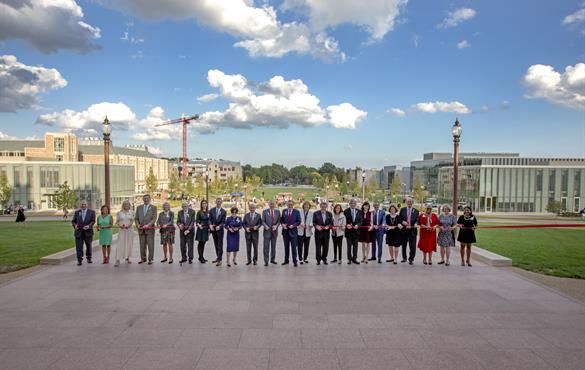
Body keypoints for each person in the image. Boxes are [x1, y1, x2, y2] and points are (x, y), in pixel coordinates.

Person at [135, 194, 157, 265]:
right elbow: (136, 218)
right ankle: (143, 259)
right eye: (144, 198)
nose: (146, 200)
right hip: (141, 229)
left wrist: (148, 225)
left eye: (147, 198)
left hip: (149, 229)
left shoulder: (153, 207)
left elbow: (154, 218)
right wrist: (138, 225)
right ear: (143, 199)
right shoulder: (139, 207)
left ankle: (150, 259)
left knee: (150, 245)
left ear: (150, 199)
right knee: (142, 245)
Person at [71, 200, 95, 266]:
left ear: (87, 205)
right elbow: (73, 221)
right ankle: (79, 260)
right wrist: (75, 225)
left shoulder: (92, 212)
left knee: (89, 246)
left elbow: (93, 221)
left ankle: (89, 258)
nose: (83, 205)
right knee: (79, 247)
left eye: (84, 204)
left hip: (88, 232)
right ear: (80, 205)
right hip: (79, 232)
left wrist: (89, 226)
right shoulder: (77, 212)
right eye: (82, 204)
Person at [399, 198, 419, 265]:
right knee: (404, 245)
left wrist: (416, 223)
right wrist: (402, 222)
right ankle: (404, 258)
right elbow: (399, 218)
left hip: (412, 230)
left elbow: (417, 219)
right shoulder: (402, 210)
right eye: (408, 201)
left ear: (412, 202)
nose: (409, 203)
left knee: (412, 246)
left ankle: (411, 259)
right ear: (406, 202)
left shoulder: (416, 211)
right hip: (404, 230)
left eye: (410, 201)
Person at [281, 200, 301, 267]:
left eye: (291, 204)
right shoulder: (284, 211)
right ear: (287, 204)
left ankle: (295, 261)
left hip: (293, 232)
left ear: (293, 205)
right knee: (286, 247)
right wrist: (283, 225)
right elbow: (282, 220)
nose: (290, 205)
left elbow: (299, 221)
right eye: (289, 204)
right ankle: (286, 260)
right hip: (285, 232)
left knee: (293, 248)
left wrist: (293, 225)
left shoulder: (296, 212)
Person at [114, 200, 134, 266]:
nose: (126, 205)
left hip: (129, 230)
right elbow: (117, 222)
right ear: (123, 205)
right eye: (125, 204)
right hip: (122, 230)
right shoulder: (119, 213)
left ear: (129, 205)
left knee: (129, 244)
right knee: (120, 244)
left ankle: (128, 257)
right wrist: (120, 226)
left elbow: (132, 221)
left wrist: (129, 225)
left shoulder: (131, 212)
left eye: (127, 204)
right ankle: (117, 260)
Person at [261, 200, 281, 266]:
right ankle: (266, 261)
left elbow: (279, 221)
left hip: (274, 232)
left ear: (275, 204)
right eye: (271, 204)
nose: (272, 205)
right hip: (267, 232)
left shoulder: (277, 212)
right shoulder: (264, 212)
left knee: (273, 246)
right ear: (269, 204)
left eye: (273, 204)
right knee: (266, 247)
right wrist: (265, 226)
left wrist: (276, 226)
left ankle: (272, 259)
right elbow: (263, 221)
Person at [313, 201, 333, 265]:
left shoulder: (329, 214)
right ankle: (318, 260)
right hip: (318, 233)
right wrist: (316, 226)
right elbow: (314, 222)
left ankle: (324, 259)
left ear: (326, 207)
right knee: (318, 247)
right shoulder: (316, 213)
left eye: (325, 206)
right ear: (320, 206)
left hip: (326, 233)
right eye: (322, 206)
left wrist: (328, 226)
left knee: (325, 247)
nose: (323, 207)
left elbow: (331, 223)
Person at [344, 198, 363, 264]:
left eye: (354, 203)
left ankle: (354, 259)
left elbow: (361, 221)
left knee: (355, 246)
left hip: (356, 232)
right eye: (351, 203)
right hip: (348, 232)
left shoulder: (359, 211)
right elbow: (344, 221)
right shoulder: (346, 211)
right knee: (349, 246)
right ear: (349, 204)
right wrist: (347, 225)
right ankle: (349, 259)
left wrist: (358, 225)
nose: (353, 204)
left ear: (356, 204)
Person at [209, 197, 226, 267]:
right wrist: (210, 225)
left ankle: (220, 260)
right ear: (215, 202)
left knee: (220, 245)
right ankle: (218, 257)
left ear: (221, 202)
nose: (218, 202)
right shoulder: (211, 210)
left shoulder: (224, 211)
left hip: (220, 230)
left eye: (220, 201)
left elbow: (224, 221)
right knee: (216, 244)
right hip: (213, 230)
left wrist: (220, 226)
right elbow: (209, 219)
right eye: (217, 201)